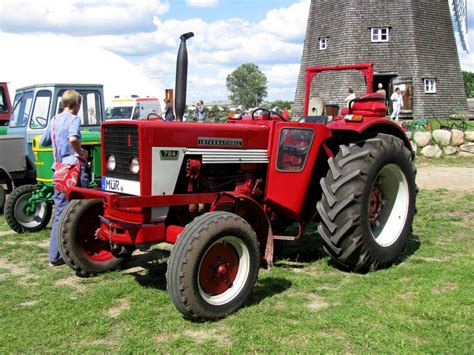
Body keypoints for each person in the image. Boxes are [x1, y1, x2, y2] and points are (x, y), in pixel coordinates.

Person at [40, 90, 88, 266]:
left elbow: (44, 141)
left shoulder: (54, 120)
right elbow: (73, 138)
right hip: (74, 169)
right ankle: (79, 250)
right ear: (76, 105)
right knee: (80, 209)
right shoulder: (74, 119)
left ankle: (55, 255)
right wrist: (80, 152)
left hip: (59, 170)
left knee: (60, 212)